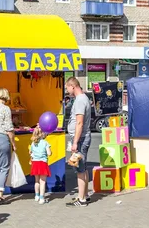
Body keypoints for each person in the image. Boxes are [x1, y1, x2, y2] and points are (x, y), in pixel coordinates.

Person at [64, 77, 92, 207]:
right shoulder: (84, 98)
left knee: (80, 169)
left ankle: (81, 199)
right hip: (83, 137)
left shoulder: (80, 100)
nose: (67, 90)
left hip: (80, 138)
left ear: (72, 86)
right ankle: (84, 195)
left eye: (67, 88)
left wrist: (75, 141)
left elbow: (79, 122)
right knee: (84, 168)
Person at [29, 125, 52, 205]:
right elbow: (49, 153)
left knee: (36, 181)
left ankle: (37, 196)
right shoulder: (45, 143)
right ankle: (42, 198)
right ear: (42, 134)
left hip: (35, 163)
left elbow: (30, 153)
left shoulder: (33, 143)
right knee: (42, 182)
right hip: (43, 163)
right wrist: (49, 152)